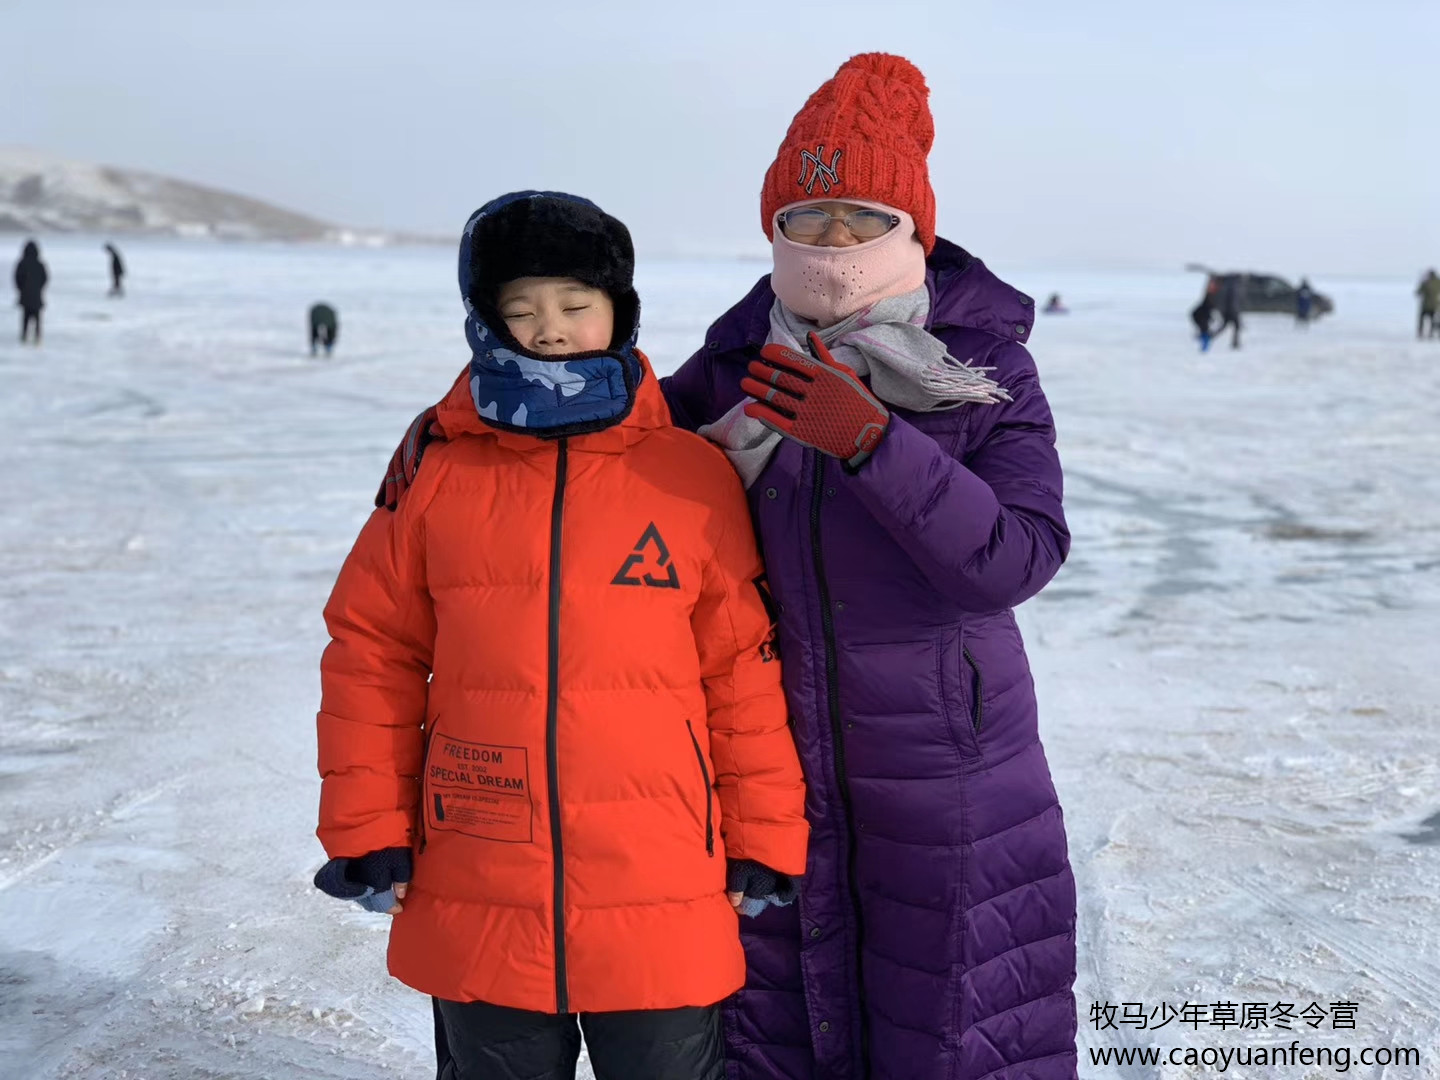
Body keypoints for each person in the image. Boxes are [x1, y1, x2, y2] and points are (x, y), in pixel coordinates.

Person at [376, 54, 1078, 1080]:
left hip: (949, 772)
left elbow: (1016, 556)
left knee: (950, 1034)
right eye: (807, 217)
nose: (832, 240)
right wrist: (459, 424)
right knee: (787, 1029)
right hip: (771, 763)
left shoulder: (983, 369)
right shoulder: (736, 366)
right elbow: (600, 432)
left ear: (910, 227)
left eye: (859, 215)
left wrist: (878, 445)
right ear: (775, 229)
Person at [314, 191, 809, 1080]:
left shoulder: (690, 476)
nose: (550, 331)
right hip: (480, 866)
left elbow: (741, 669)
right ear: (486, 323)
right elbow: (372, 650)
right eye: (521, 311)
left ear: (619, 313)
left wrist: (764, 834)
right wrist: (366, 826)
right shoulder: (437, 468)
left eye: (576, 306)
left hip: (662, 872)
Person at [14, 240, 48, 345]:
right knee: (37, 318)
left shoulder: (21, 263)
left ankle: (24, 336)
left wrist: (21, 289)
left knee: (25, 318)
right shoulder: (40, 264)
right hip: (37, 296)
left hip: (25, 296)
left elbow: (17, 278)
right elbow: (45, 278)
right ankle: (37, 337)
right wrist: (39, 289)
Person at [1215, 272, 1244, 349]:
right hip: (1231, 310)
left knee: (1230, 326)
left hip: (1229, 310)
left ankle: (1235, 343)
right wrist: (1234, 310)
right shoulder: (1233, 286)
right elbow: (1232, 300)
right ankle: (1235, 343)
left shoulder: (1228, 285)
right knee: (1232, 326)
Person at [1191, 275, 1219, 350]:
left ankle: (1204, 346)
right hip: (1204, 313)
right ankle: (1204, 346)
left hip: (1203, 313)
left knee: (1204, 329)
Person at [1418, 269, 1440, 339]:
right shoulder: (1438, 282)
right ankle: (1431, 333)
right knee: (1432, 320)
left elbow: (1419, 292)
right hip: (1435, 305)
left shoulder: (1425, 282)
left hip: (1425, 305)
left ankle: (1420, 333)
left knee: (1421, 320)